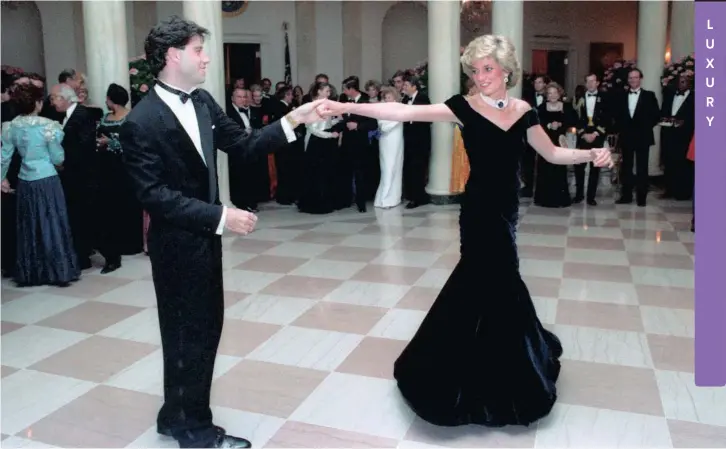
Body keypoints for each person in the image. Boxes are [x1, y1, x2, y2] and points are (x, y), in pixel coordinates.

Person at [319, 34, 612, 428]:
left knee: (497, 280)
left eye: (488, 68)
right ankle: (476, 371)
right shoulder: (463, 107)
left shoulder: (524, 110)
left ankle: (504, 360)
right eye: (474, 70)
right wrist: (341, 104)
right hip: (478, 210)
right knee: (491, 278)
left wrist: (591, 154)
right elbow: (404, 113)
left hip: (507, 209)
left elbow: (553, 153)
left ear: (507, 70)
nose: (481, 76)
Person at [119, 16, 323, 449]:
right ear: (174, 55)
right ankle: (195, 431)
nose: (206, 56)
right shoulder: (141, 121)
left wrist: (295, 119)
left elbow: (245, 145)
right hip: (176, 244)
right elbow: (154, 196)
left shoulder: (204, 101)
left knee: (201, 331)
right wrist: (220, 216)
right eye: (198, 49)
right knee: (188, 334)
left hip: (203, 242)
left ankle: (175, 414)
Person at [1, 82, 80, 287]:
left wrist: (1, 178)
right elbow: (57, 157)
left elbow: (4, 157)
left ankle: (32, 272)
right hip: (47, 179)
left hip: (25, 180)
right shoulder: (49, 126)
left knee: (30, 226)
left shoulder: (11, 126)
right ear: (37, 103)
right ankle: (59, 270)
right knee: (52, 223)